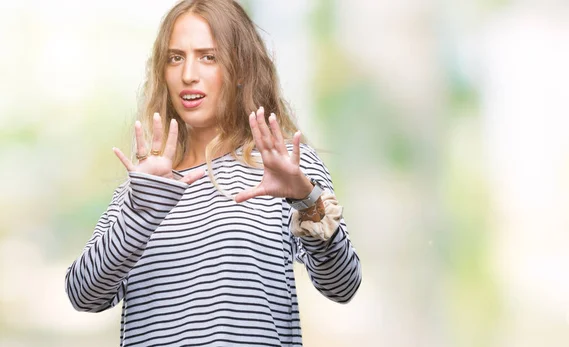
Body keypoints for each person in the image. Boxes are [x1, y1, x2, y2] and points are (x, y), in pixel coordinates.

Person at [64, 0, 361, 346]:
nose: (188, 73)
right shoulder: (145, 187)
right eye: (176, 57)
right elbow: (83, 296)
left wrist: (307, 200)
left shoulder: (284, 165)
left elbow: (343, 286)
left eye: (209, 56)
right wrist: (140, 211)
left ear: (239, 69)